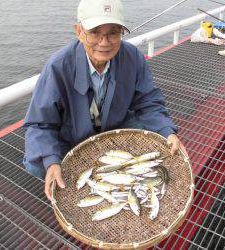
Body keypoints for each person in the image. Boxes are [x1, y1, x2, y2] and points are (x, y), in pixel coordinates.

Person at [23, 0, 188, 201]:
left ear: (121, 33)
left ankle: (111, 178)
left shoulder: (132, 56)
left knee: (157, 134)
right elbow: (41, 123)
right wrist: (51, 160)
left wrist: (166, 132)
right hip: (72, 136)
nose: (104, 42)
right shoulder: (58, 67)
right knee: (37, 163)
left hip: (115, 125)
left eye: (113, 32)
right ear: (79, 31)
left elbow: (148, 101)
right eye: (94, 32)